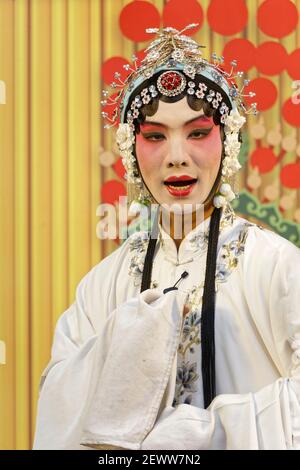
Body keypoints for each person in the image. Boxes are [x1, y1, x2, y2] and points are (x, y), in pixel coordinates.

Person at [33, 24, 300, 450]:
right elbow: (57, 406)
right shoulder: (104, 284)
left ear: (227, 141)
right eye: (155, 136)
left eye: (197, 132)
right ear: (131, 150)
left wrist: (214, 433)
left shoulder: (275, 265)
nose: (177, 157)